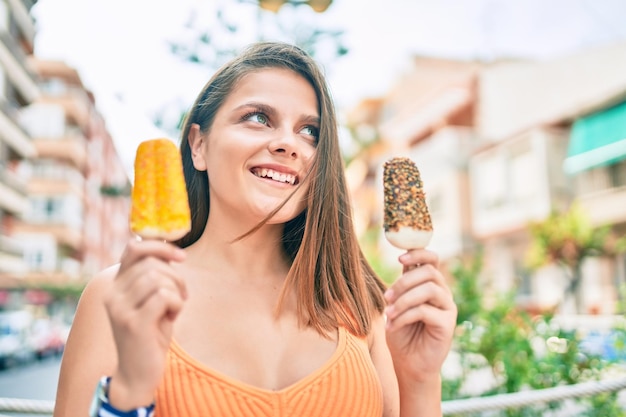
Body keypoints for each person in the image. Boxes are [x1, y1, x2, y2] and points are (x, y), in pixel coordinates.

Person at [53, 41, 457, 417]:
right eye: (258, 118)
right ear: (199, 145)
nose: (289, 143)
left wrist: (420, 380)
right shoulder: (121, 298)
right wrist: (130, 390)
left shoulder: (359, 305)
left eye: (309, 131)